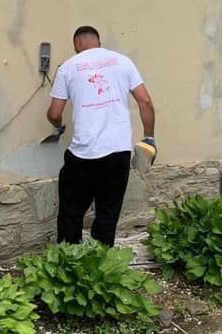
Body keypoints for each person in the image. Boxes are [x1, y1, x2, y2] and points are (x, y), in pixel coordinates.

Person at [46, 26, 156, 246]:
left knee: (71, 212)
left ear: (77, 44)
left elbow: (55, 113)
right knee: (108, 213)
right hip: (118, 152)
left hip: (83, 154)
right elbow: (145, 102)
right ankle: (101, 266)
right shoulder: (123, 62)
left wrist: (59, 126)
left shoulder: (68, 68)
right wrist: (149, 138)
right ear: (98, 41)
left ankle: (68, 262)